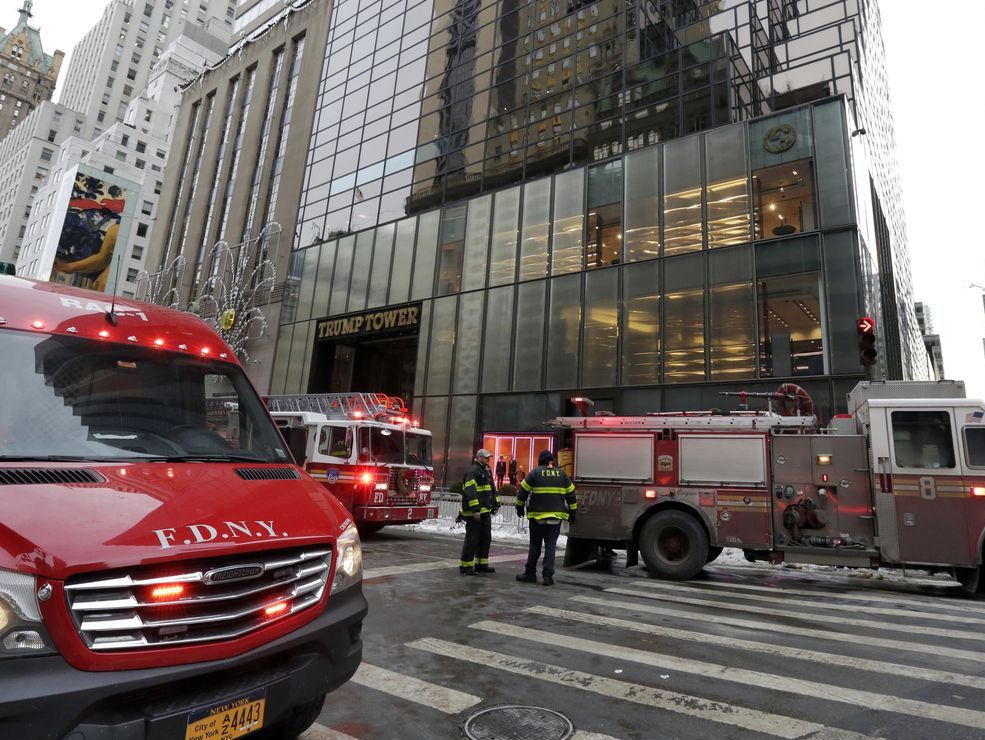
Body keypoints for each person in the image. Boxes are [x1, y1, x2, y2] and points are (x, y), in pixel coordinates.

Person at [515, 450, 577, 586]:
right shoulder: (562, 474)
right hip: (555, 518)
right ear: (552, 461)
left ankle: (530, 574)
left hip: (537, 518)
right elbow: (571, 493)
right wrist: (573, 511)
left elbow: (523, 491)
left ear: (540, 461)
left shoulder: (535, 473)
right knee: (550, 547)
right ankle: (548, 576)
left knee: (535, 546)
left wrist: (519, 506)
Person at [459, 448, 499, 575]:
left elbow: (492, 488)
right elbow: (471, 492)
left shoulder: (486, 471)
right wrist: (475, 510)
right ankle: (466, 566)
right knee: (472, 540)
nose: (488, 459)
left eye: (489, 457)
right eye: (486, 457)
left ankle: (481, 564)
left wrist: (495, 503)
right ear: (479, 457)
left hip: (485, 512)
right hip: (475, 514)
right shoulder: (473, 471)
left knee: (485, 539)